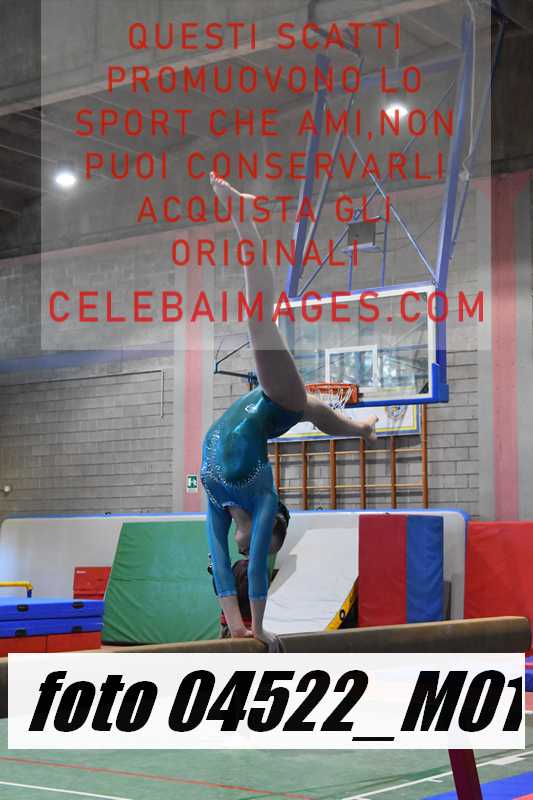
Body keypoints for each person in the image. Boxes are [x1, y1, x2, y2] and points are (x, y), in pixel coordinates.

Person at [201, 172, 378, 645]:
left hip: (275, 410)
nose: (254, 551)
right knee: (260, 322)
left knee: (321, 414)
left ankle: (362, 429)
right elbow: (257, 567)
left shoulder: (217, 500)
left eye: (257, 549)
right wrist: (260, 629)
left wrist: (236, 627)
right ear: (273, 527)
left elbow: (219, 560)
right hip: (278, 401)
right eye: (268, 544)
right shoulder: (262, 496)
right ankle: (243, 217)